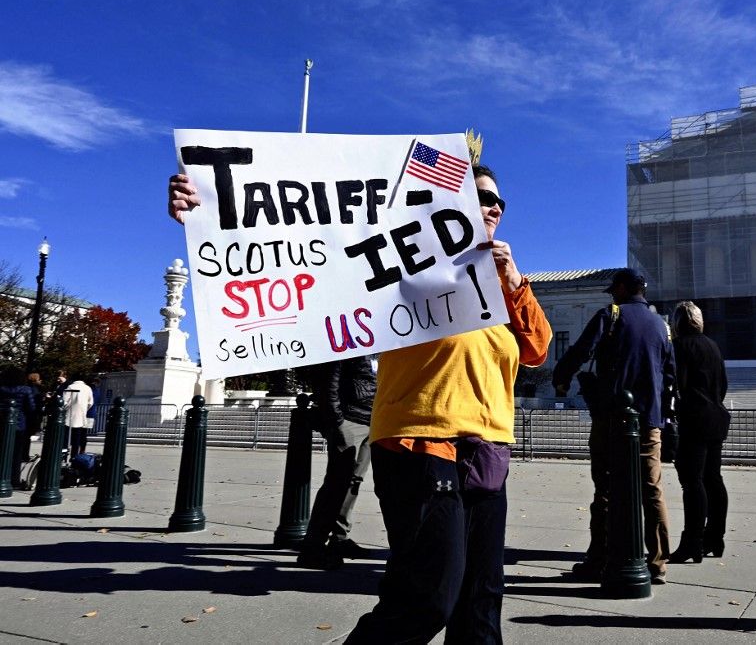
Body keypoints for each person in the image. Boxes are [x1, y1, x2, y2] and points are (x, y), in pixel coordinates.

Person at [170, 163, 552, 643]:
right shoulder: (398, 263)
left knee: (480, 605)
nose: (494, 206)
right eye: (480, 198)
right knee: (428, 594)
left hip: (488, 449)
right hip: (420, 442)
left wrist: (514, 279)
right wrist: (209, 215)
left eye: (499, 200)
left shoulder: (498, 282)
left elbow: (537, 349)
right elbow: (303, 256)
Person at [551, 268, 675, 585]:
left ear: (621, 288)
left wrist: (561, 377)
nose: (612, 295)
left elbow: (581, 350)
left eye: (613, 290)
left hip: (611, 417)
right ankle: (659, 561)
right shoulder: (661, 325)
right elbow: (670, 374)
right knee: (652, 489)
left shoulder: (612, 314)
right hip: (649, 421)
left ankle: (599, 558)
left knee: (605, 487)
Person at [297, 357, 376, 570]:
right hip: (349, 419)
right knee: (336, 483)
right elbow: (329, 380)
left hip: (374, 419)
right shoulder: (350, 342)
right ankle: (312, 547)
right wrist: (337, 420)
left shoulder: (385, 344)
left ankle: (339, 539)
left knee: (354, 482)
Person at [667, 301, 730, 563]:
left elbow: (676, 383)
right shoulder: (712, 345)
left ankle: (692, 541)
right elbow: (723, 384)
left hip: (694, 418)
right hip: (716, 416)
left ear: (678, 322)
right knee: (713, 478)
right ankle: (715, 538)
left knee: (692, 481)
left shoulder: (679, 347)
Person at [0, 368, 37, 487]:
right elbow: (31, 408)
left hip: (2, 423)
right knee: (16, 454)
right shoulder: (26, 390)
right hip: (19, 424)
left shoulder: (1, 389)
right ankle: (14, 479)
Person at [63, 375, 94, 459]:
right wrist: (84, 409)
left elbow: (64, 401)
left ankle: (64, 456)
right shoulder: (88, 388)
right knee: (76, 440)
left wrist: (66, 408)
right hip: (81, 416)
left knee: (66, 439)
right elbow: (90, 403)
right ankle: (74, 457)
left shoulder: (70, 387)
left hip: (69, 416)